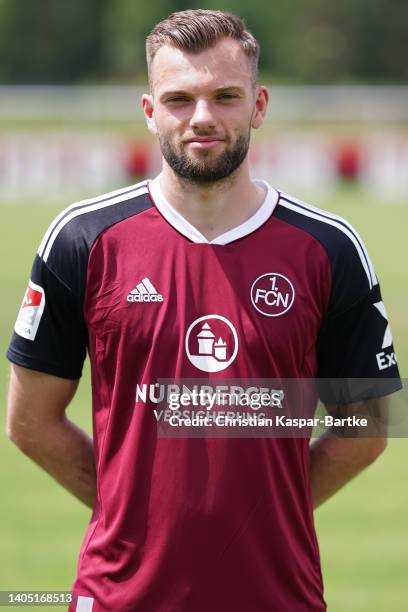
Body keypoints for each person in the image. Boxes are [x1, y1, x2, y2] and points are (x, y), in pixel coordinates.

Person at [6, 9, 401, 612]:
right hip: (119, 597)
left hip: (276, 596)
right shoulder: (82, 241)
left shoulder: (327, 248)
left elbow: (366, 424)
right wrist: (125, 506)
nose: (202, 118)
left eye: (225, 96)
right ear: (149, 110)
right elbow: (31, 421)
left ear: (259, 104)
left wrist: (268, 506)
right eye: (179, 98)